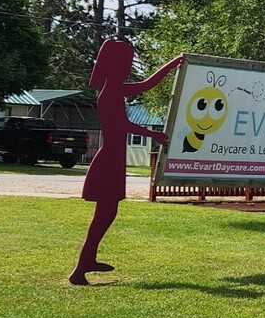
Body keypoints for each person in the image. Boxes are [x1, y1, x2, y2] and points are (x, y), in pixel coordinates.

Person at [70, 38, 183, 286]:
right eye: (125, 64)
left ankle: (86, 261)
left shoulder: (114, 89)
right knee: (104, 215)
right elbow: (121, 125)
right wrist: (152, 134)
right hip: (109, 159)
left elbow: (146, 84)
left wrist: (173, 65)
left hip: (113, 158)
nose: (128, 68)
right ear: (114, 66)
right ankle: (81, 267)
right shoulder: (110, 92)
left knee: (107, 214)